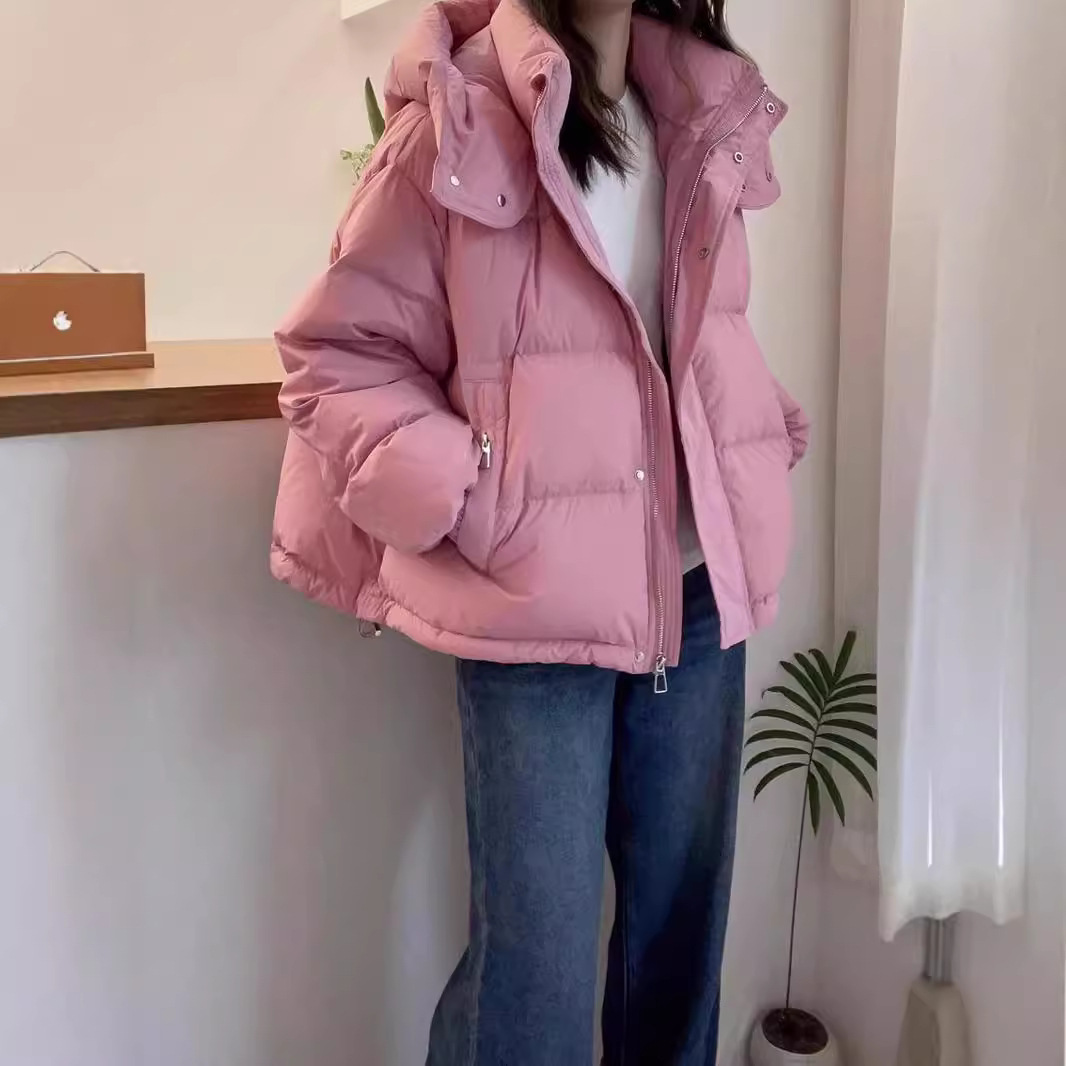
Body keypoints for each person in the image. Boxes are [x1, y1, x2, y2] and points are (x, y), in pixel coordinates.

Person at [272, 0, 808, 1058]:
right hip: (535, 609)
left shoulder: (697, 107)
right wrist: (469, 485)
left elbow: (692, 336)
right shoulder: (457, 116)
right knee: (538, 978)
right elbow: (335, 354)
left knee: (678, 954)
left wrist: (751, 433)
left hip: (695, 594)